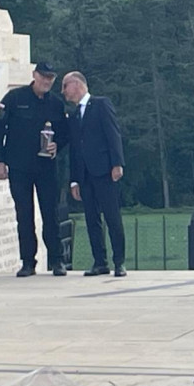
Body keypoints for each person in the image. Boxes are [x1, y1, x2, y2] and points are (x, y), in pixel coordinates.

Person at [0, 63, 69, 277]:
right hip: (19, 167)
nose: (47, 82)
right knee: (24, 215)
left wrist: (57, 146)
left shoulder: (56, 104)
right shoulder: (14, 98)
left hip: (46, 167)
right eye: (43, 77)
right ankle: (27, 261)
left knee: (50, 214)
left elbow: (64, 133)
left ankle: (57, 260)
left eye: (51, 78)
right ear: (34, 75)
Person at [61, 72, 127, 277]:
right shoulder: (73, 115)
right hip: (84, 175)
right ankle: (100, 261)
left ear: (77, 84)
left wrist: (117, 163)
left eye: (65, 86)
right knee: (91, 219)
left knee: (112, 216)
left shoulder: (101, 105)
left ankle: (119, 261)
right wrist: (74, 180)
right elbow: (74, 148)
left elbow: (112, 134)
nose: (63, 92)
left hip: (104, 170)